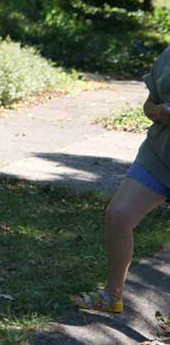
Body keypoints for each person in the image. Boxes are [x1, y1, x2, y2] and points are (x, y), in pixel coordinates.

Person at [72, 47, 170, 313]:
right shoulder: (168, 55)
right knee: (119, 215)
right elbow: (150, 104)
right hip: (159, 156)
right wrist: (160, 112)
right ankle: (112, 295)